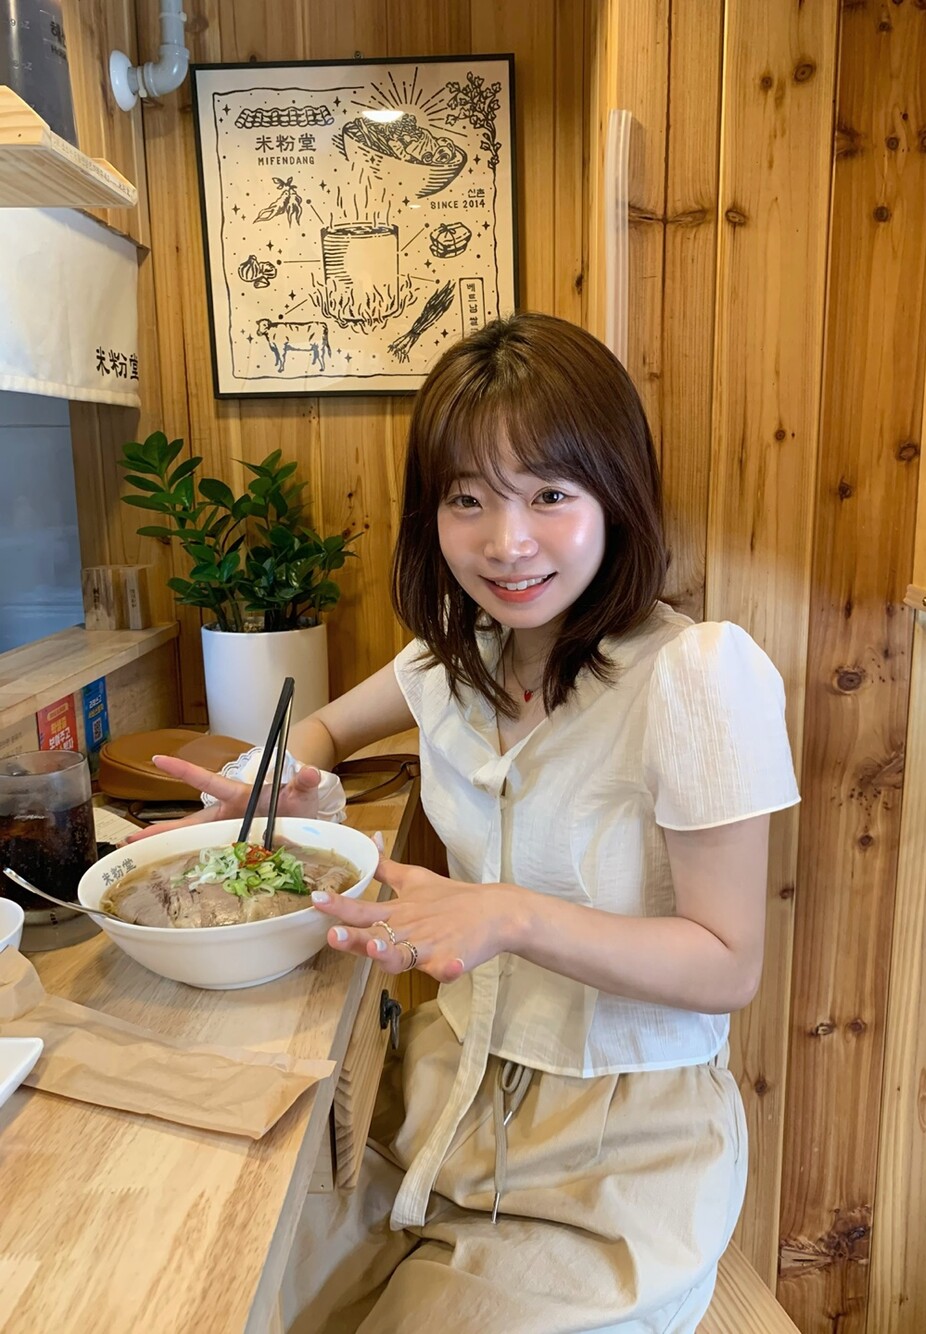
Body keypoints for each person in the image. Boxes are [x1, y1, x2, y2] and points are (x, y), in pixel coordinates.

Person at [144, 313, 799, 1332]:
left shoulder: (698, 675)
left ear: (616, 495)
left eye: (550, 494)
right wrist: (277, 783)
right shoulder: (455, 657)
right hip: (432, 1105)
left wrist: (509, 913)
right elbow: (323, 726)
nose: (506, 541)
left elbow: (727, 964)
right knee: (213, 1286)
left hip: (613, 1162)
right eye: (468, 499)